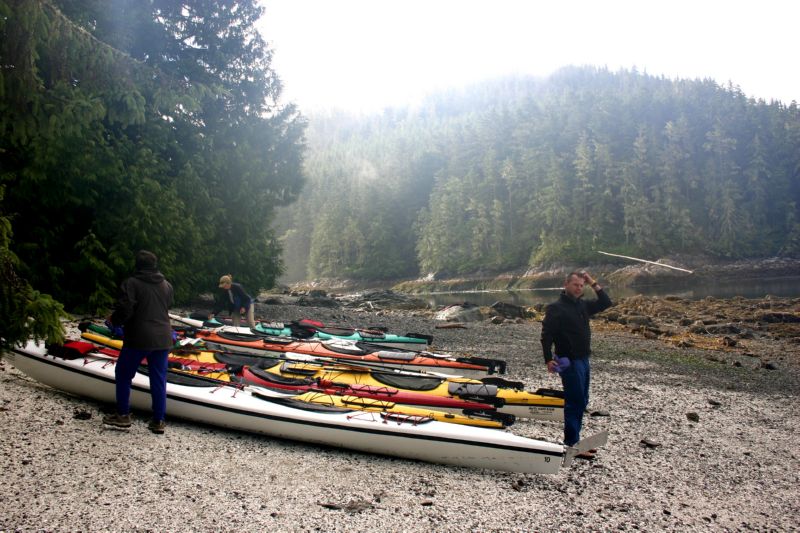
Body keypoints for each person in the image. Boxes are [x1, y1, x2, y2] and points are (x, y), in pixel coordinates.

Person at [541, 270, 612, 459]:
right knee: (575, 401)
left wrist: (592, 282)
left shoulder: (582, 305)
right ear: (566, 284)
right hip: (568, 361)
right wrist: (548, 358)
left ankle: (575, 441)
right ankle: (571, 444)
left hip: (583, 359)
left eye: (582, 285)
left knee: (583, 400)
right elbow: (546, 335)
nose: (579, 288)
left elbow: (606, 302)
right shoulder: (555, 308)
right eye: (576, 285)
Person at [103, 250, 174, 434]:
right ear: (154, 265)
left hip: (139, 337)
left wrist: (114, 321)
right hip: (163, 338)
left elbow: (126, 308)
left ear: (137, 265)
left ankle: (123, 415)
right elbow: (166, 306)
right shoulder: (166, 285)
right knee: (158, 379)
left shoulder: (131, 283)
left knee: (124, 374)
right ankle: (158, 420)